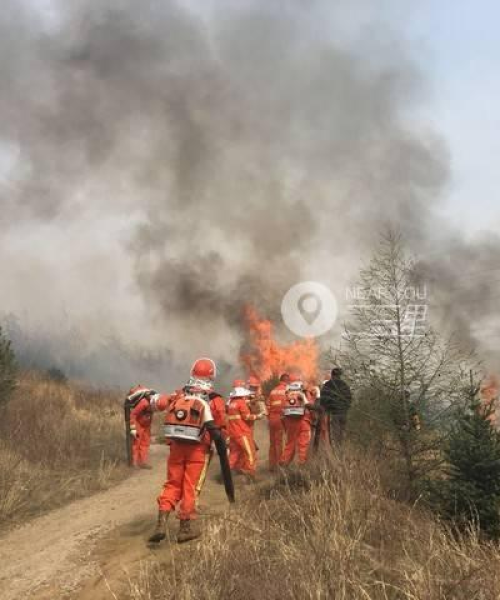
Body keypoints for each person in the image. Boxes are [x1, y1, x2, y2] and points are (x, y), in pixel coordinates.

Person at [149, 358, 226, 544]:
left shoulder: (181, 393)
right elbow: (221, 425)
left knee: (172, 484)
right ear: (211, 375)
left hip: (176, 446)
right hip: (199, 450)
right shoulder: (215, 399)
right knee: (191, 487)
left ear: (193, 373)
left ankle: (161, 523)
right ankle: (185, 529)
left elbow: (159, 404)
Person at [227, 380, 263, 481]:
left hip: (233, 433)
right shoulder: (241, 403)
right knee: (250, 453)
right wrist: (258, 416)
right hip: (242, 432)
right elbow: (247, 416)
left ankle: (226, 474)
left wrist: (252, 400)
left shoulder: (231, 403)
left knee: (234, 453)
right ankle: (250, 474)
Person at [127, 385, 170, 469]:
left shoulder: (158, 402)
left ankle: (142, 462)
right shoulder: (144, 402)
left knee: (145, 443)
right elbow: (133, 414)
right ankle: (134, 462)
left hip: (146, 424)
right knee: (136, 443)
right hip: (138, 423)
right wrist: (133, 428)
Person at [279, 374, 313, 466]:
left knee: (290, 444)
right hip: (303, 422)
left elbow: (282, 411)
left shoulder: (287, 394)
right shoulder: (304, 392)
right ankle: (301, 465)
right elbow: (310, 406)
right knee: (303, 445)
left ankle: (283, 463)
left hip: (290, 423)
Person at [320, 366, 352, 446]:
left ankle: (335, 453)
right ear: (340, 375)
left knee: (334, 435)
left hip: (333, 413)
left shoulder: (328, 384)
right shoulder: (345, 385)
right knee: (342, 434)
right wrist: (345, 408)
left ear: (332, 375)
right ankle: (341, 450)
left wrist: (326, 408)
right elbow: (349, 398)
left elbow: (323, 399)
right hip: (343, 413)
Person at [266, 373, 289, 471]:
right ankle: (280, 466)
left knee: (273, 442)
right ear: (287, 381)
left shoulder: (273, 391)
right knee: (279, 442)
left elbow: (268, 405)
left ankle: (272, 465)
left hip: (272, 419)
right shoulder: (287, 390)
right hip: (281, 418)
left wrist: (269, 417)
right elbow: (287, 406)